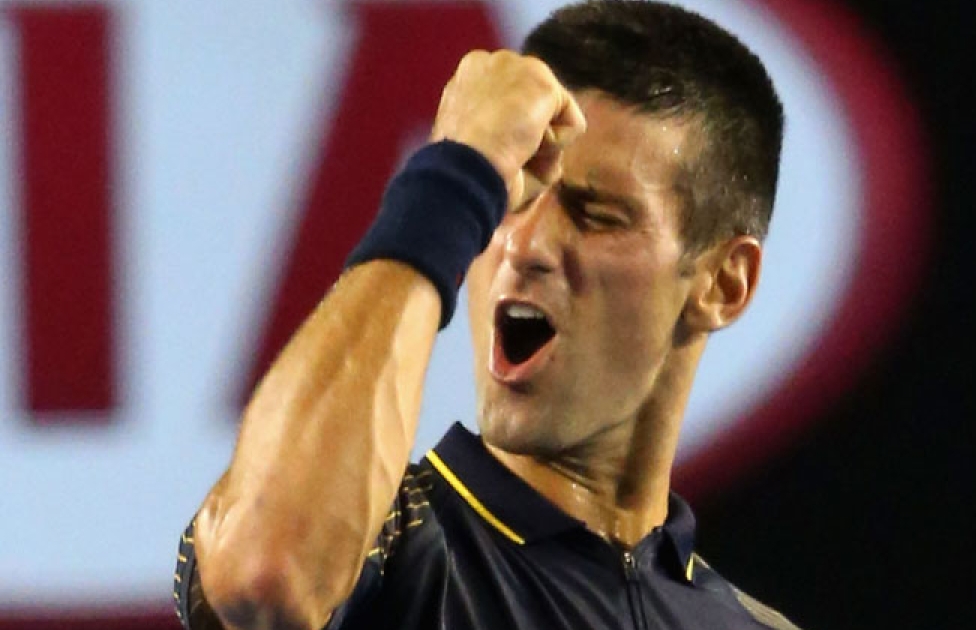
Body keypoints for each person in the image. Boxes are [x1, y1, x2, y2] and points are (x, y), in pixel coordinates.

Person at [173, 1, 795, 628]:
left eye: (597, 215)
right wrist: (452, 182)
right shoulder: (391, 553)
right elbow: (267, 572)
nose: (522, 246)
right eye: (512, 196)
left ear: (724, 283)